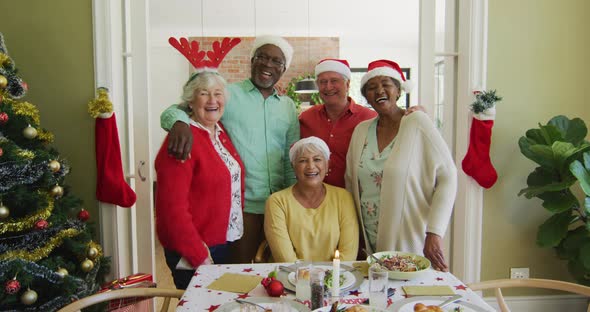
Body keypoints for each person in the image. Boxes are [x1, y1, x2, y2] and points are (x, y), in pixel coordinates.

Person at [160, 36, 300, 263]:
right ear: (252, 61)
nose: (267, 65)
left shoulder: (287, 107)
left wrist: (293, 204)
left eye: (276, 61)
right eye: (262, 57)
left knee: (277, 274)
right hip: (242, 206)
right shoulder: (228, 94)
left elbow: (290, 158)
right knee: (238, 275)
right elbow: (177, 110)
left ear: (283, 69)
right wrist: (179, 123)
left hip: (279, 207)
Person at [345, 60, 457, 271]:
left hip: (408, 236)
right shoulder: (361, 131)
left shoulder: (417, 123)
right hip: (367, 238)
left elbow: (448, 175)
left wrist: (434, 232)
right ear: (366, 96)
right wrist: (354, 234)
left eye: (386, 84)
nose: (379, 90)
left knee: (408, 296)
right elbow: (351, 183)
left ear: (398, 90)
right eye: (371, 87)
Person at [155, 71, 245, 289]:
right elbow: (171, 211)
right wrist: (198, 255)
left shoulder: (219, 132)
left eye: (218, 93)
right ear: (190, 101)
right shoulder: (182, 140)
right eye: (204, 94)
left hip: (222, 241)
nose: (213, 100)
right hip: (196, 248)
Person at [264, 137, 359, 262]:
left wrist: (329, 279)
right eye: (303, 161)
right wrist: (307, 278)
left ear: (327, 164)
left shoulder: (343, 197)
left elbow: (348, 254)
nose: (311, 166)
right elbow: (285, 259)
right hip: (291, 277)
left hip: (336, 278)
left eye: (317, 159)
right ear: (293, 167)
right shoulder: (277, 201)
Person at [299, 59, 377, 188]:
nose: (328, 87)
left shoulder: (369, 118)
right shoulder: (306, 117)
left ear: (347, 84)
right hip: (314, 197)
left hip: (355, 197)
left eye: (334, 81)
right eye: (323, 82)